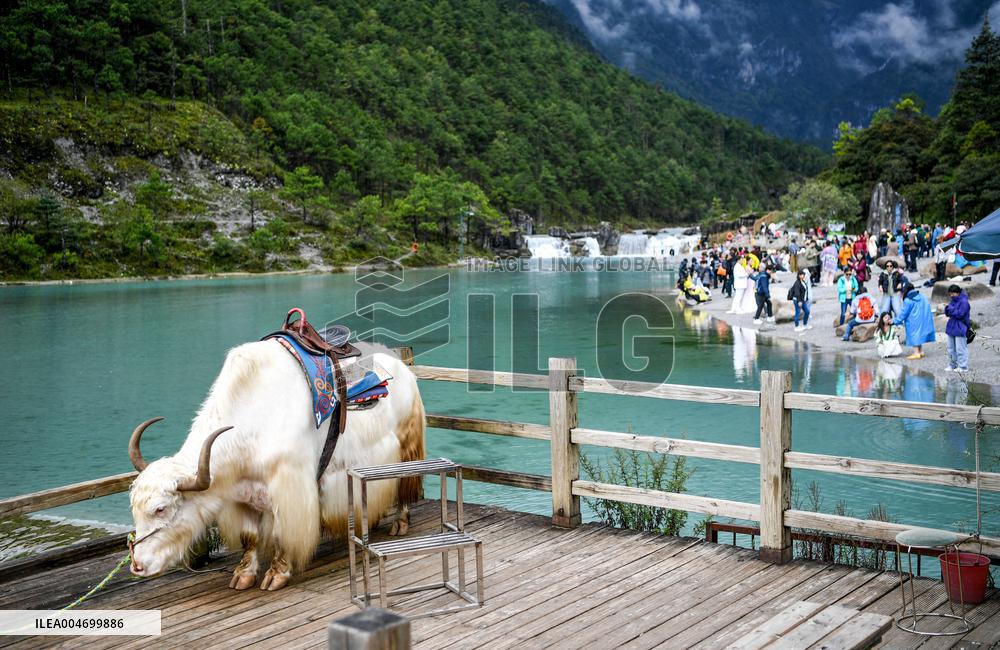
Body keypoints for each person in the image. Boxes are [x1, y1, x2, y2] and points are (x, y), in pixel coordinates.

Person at [893, 285, 935, 359]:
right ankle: (920, 351)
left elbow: (903, 313)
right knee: (919, 335)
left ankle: (916, 353)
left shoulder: (908, 300)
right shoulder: (921, 296)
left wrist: (894, 321)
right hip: (923, 318)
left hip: (913, 320)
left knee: (914, 335)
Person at [944, 284, 970, 372]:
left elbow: (960, 314)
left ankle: (963, 367)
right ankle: (952, 365)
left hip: (960, 327)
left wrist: (950, 309)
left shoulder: (964, 302)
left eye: (953, 293)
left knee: (960, 348)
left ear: (958, 292)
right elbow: (948, 312)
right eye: (950, 294)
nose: (951, 295)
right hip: (952, 326)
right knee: (950, 348)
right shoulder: (953, 300)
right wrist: (949, 309)